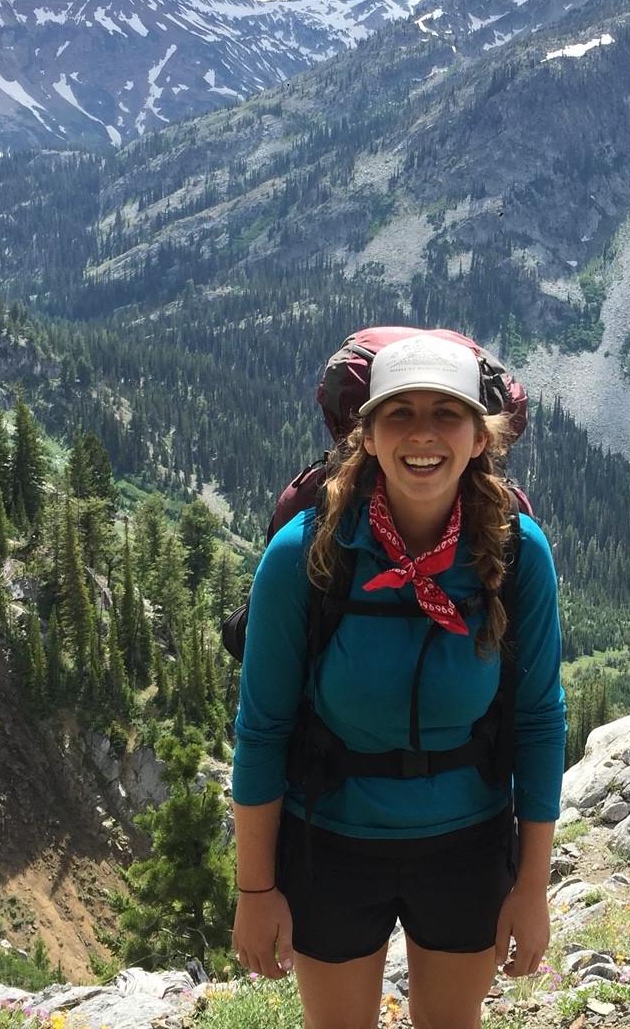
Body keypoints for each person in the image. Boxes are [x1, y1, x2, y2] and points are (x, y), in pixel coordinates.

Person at [230, 331, 566, 1029]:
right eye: (399, 414)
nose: (423, 434)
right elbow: (261, 730)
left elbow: (538, 720)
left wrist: (532, 887)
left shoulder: (515, 552)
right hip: (329, 840)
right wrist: (255, 890)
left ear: (480, 437)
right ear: (369, 436)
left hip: (467, 844)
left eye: (446, 414)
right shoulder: (304, 555)